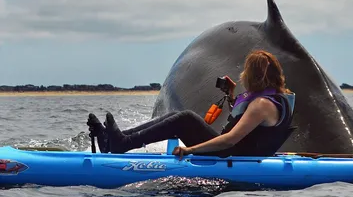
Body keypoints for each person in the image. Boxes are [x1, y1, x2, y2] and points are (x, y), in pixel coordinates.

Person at [87, 50, 295, 158]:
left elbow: (231, 140)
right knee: (177, 117)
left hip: (231, 154)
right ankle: (119, 139)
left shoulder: (261, 104)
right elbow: (249, 127)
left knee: (185, 119)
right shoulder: (272, 99)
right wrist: (232, 97)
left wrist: (190, 150)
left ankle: (121, 143)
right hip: (238, 151)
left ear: (255, 76)